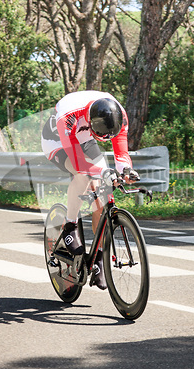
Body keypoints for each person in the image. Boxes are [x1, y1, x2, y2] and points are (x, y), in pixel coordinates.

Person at [41, 90, 139, 290]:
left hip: (85, 137)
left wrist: (126, 171)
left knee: (104, 190)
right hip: (59, 140)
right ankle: (69, 226)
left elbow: (121, 155)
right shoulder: (68, 116)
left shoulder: (120, 115)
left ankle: (99, 258)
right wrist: (103, 171)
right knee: (83, 175)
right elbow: (79, 163)